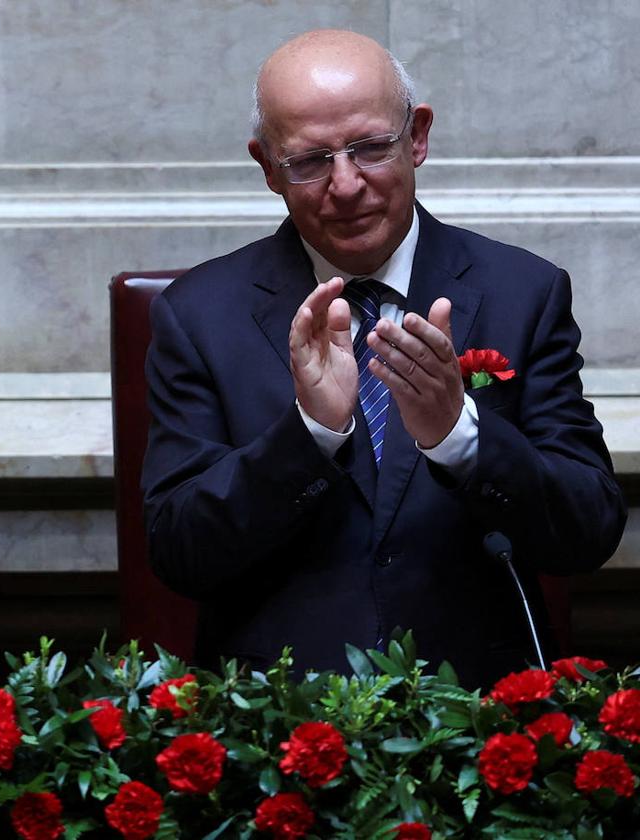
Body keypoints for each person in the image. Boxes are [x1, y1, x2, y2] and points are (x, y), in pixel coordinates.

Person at [141, 30, 625, 688]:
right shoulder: (199, 314)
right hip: (278, 720)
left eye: (369, 148)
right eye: (309, 161)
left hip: (478, 713)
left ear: (417, 137)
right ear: (266, 167)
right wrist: (309, 434)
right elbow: (179, 552)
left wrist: (460, 436)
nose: (345, 185)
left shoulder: (523, 293)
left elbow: (588, 529)